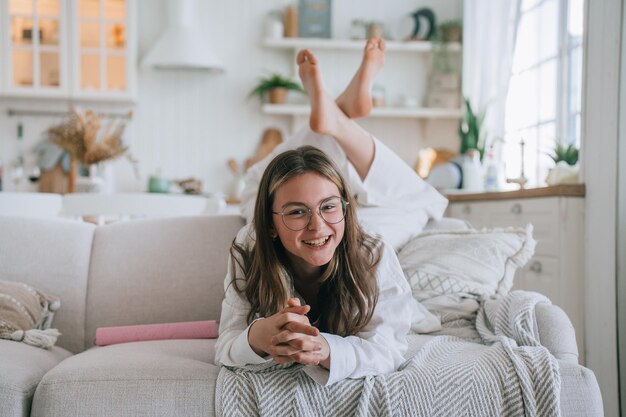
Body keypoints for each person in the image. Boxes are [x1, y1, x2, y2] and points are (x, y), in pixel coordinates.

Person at [215, 39, 446, 386]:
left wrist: (327, 349)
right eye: (296, 212)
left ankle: (336, 117)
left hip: (353, 226)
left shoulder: (370, 248)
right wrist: (257, 336)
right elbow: (226, 344)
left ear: (346, 206)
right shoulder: (250, 244)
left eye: (328, 206)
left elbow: (389, 346)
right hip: (300, 215)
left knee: (255, 182)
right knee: (422, 200)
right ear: (270, 225)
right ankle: (337, 118)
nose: (316, 227)